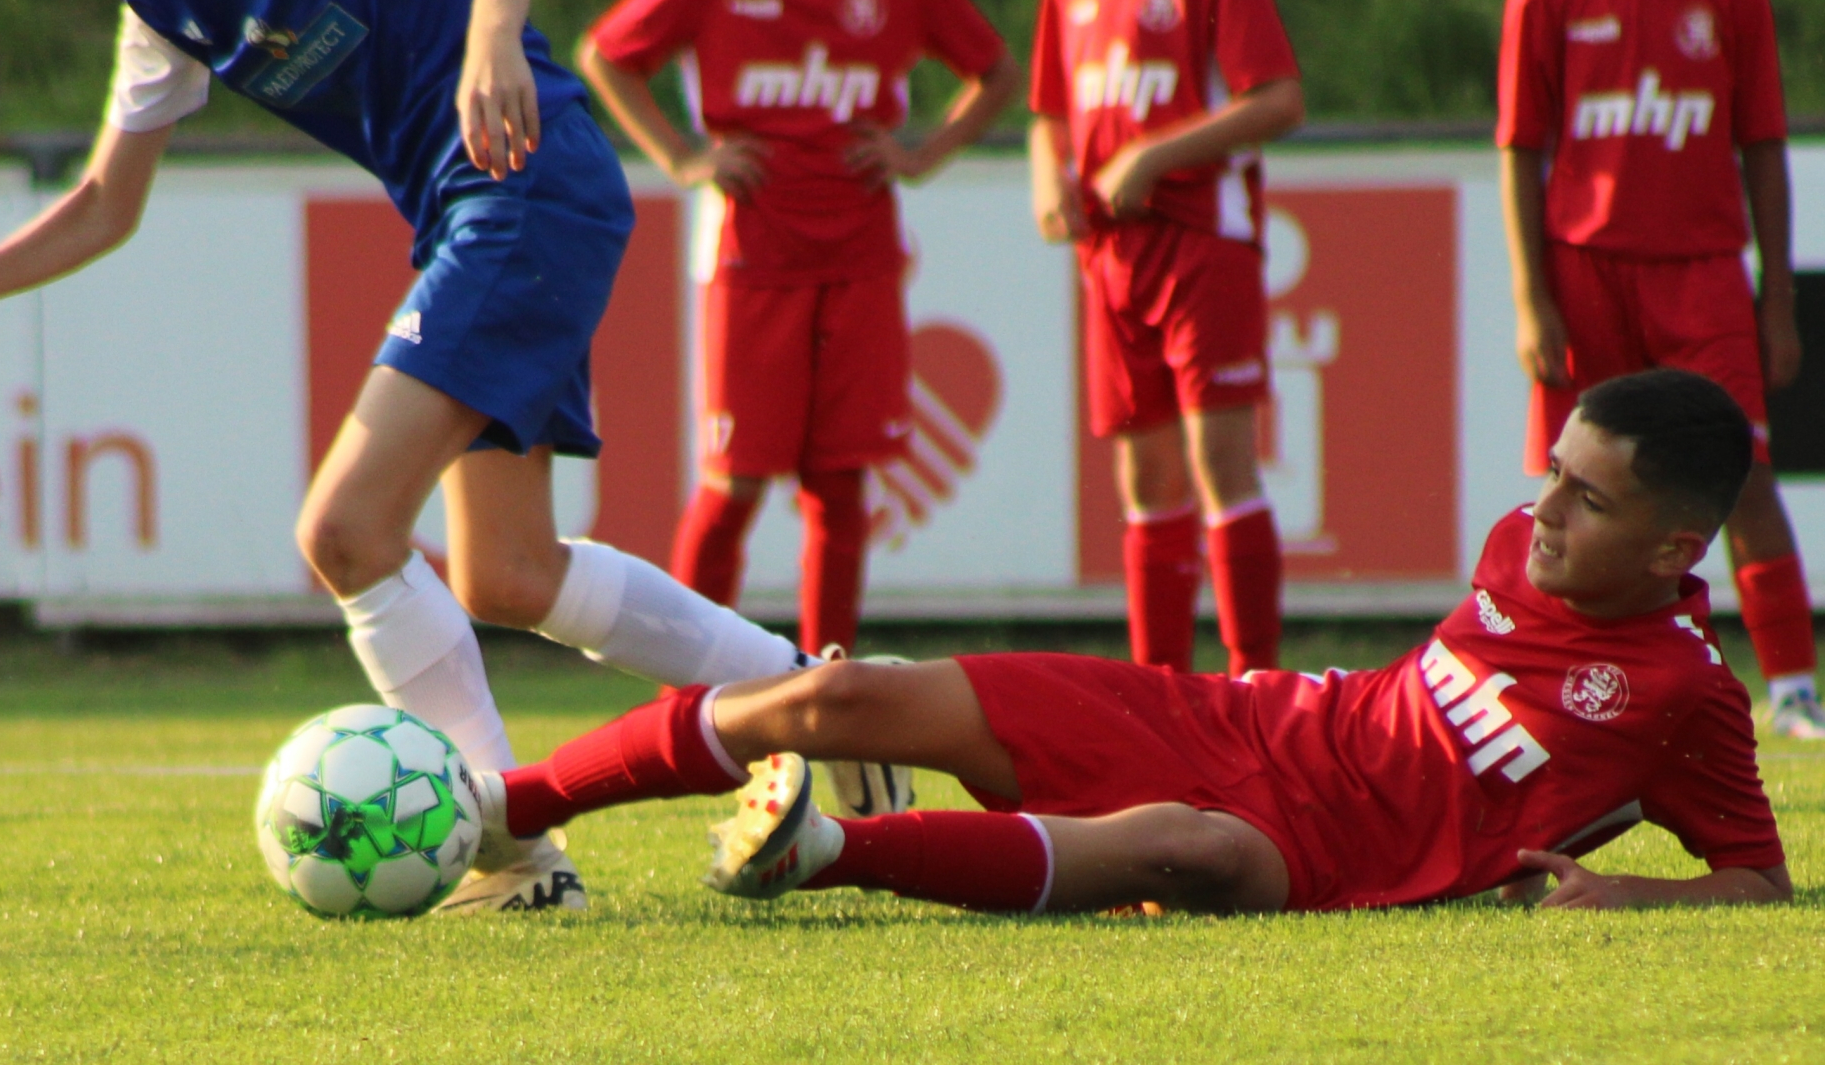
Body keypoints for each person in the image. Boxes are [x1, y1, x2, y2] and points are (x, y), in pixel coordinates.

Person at [0, 0, 838, 913]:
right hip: (484, 210)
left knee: (346, 531)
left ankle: (515, 859)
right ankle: (826, 705)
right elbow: (108, 199)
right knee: (508, 573)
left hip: (521, 186)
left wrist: (492, 36)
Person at [461, 369, 1790, 915]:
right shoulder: (1522, 541)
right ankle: (508, 807)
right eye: (1553, 472)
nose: (1543, 509)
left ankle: (823, 853)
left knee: (1185, 848)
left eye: (1587, 498)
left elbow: (1761, 882)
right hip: (1240, 719)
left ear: (1672, 548)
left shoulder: (1682, 694)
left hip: (1316, 852)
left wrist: (1634, 897)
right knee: (841, 694)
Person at [577, 0, 1021, 660]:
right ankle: (686, 686)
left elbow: (997, 72)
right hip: (751, 258)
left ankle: (827, 682)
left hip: (860, 258)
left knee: (840, 488)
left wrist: (922, 153)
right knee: (732, 485)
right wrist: (684, 158)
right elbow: (608, 55)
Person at [1497, 0, 1823, 738]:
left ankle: (1793, 689)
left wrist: (1776, 301)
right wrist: (1531, 298)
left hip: (1702, 275)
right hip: (1584, 275)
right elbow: (1520, 150)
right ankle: (1551, 679)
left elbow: (1763, 148)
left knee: (1743, 472)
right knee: (1570, 486)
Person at [1028, 0, 1304, 676]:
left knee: (1222, 463)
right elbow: (1049, 111)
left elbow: (1278, 100)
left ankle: (1254, 681)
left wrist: (1152, 156)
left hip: (1203, 243)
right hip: (1111, 256)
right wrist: (1048, 178)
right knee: (1145, 480)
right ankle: (1159, 691)